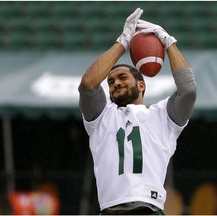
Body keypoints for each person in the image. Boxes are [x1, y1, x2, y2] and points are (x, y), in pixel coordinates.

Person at [78, 8, 196, 215]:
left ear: (141, 85)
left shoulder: (162, 116)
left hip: (148, 209)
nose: (115, 83)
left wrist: (169, 42)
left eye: (123, 77)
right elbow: (88, 84)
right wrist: (122, 43)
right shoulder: (101, 116)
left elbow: (188, 91)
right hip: (110, 211)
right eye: (111, 81)